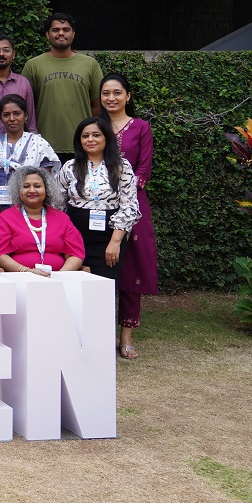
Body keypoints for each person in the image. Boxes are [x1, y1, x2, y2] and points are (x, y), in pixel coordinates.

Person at [101, 74, 158, 359]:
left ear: (128, 96)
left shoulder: (141, 127)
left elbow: (144, 170)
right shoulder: (96, 127)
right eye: (106, 93)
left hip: (133, 206)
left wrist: (122, 191)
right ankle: (102, 334)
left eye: (117, 93)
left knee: (131, 270)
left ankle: (126, 337)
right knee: (100, 267)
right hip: (97, 206)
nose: (111, 98)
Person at [57, 118, 140, 296]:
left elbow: (129, 206)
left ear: (106, 138)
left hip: (107, 241)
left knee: (102, 294)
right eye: (85, 136)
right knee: (72, 291)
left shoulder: (121, 167)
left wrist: (115, 242)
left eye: (96, 135)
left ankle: (103, 325)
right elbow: (57, 203)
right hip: (74, 240)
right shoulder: (69, 167)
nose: (90, 139)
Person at [21, 12, 102, 160]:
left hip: (82, 144)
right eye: (55, 30)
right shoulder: (33, 65)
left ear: (73, 33)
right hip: (43, 145)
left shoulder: (90, 64)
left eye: (66, 29)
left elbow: (97, 105)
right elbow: (25, 106)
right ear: (47, 34)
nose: (61, 33)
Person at [0, 167, 86, 276]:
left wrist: (60, 276)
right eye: (26, 186)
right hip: (19, 278)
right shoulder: (6, 218)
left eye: (37, 186)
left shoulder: (62, 218)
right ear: (18, 190)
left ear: (47, 190)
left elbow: (75, 254)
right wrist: (27, 271)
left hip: (58, 280)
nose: (32, 190)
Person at [0, 95, 59, 212]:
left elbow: (46, 185)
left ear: (25, 116)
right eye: (6, 115)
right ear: (0, 118)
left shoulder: (39, 143)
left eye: (17, 113)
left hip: (32, 212)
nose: (12, 118)